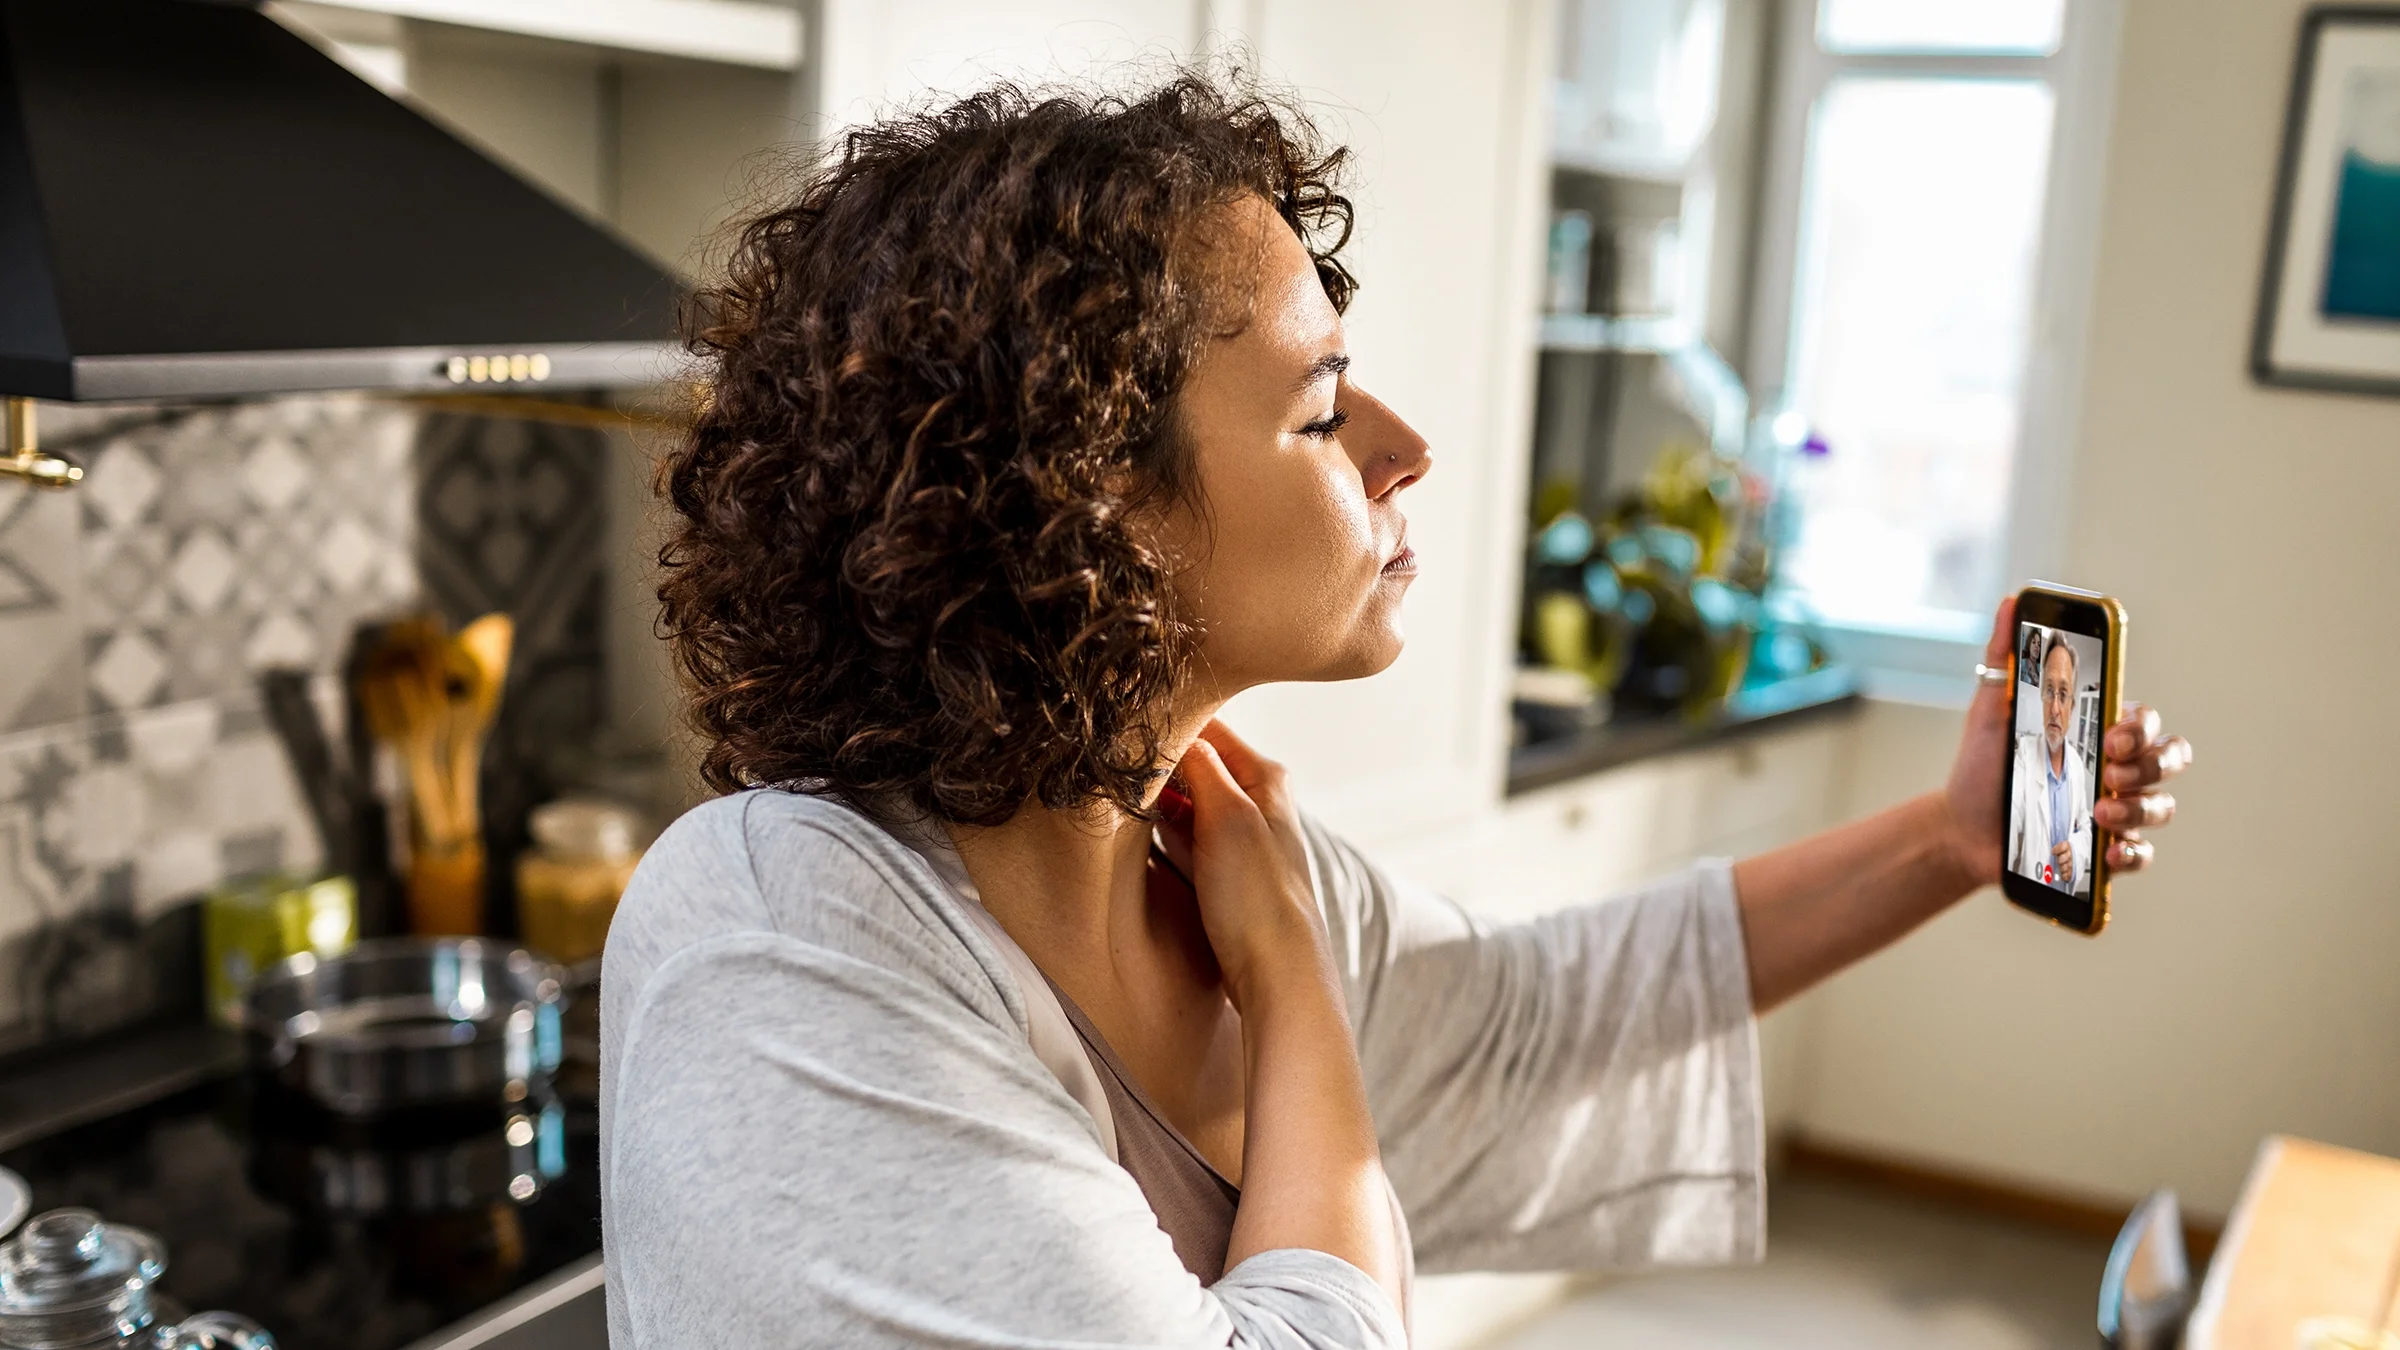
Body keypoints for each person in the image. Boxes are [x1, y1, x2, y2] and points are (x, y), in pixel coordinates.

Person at [598, 75, 2194, 1349]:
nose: (1406, 442)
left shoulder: (1201, 850)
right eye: (1321, 407)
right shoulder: (782, 930)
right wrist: (1296, 990)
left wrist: (1949, 839)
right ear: (1094, 503)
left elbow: (1538, 1024)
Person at [2010, 632, 2098, 893]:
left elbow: (2085, 827)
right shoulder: (2024, 757)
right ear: (2041, 697)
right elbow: (2011, 816)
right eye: (2049, 691)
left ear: (2072, 707)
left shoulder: (2077, 765)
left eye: (2063, 693)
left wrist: (2076, 852)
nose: (2055, 709)